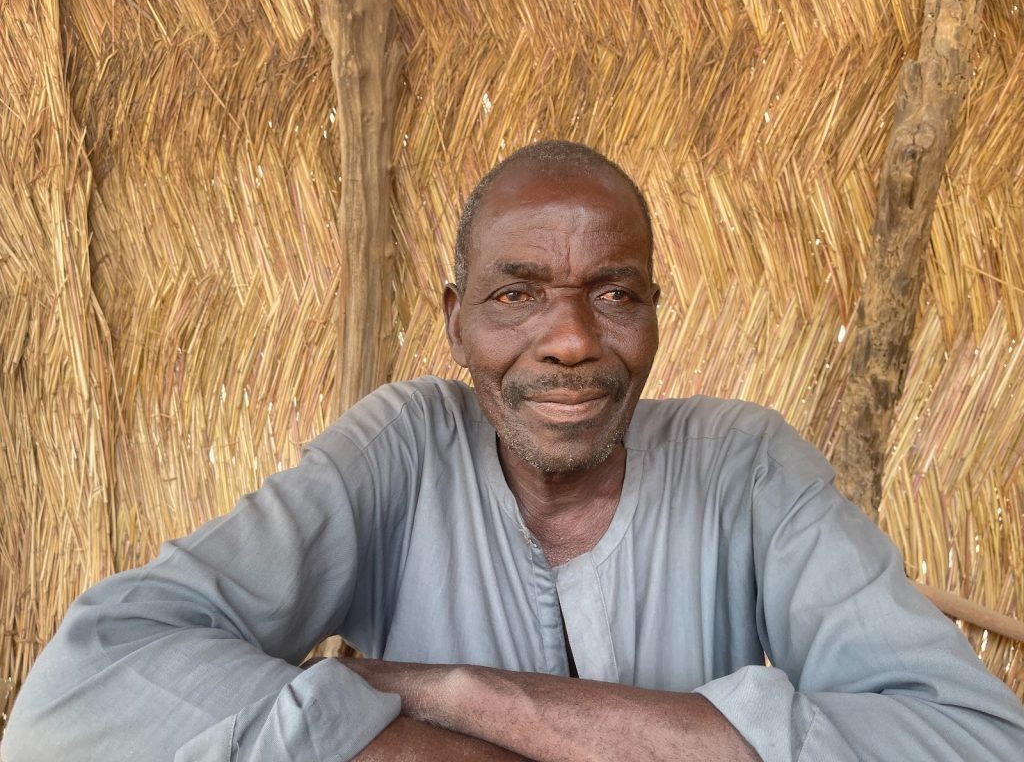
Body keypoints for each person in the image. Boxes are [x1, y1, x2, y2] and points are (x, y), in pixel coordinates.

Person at [3, 141, 1023, 762]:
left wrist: (459, 694)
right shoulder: (405, 447)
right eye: (515, 293)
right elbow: (81, 697)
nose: (572, 340)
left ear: (656, 318)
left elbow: (975, 742)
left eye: (615, 294)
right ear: (456, 324)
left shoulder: (744, 467)